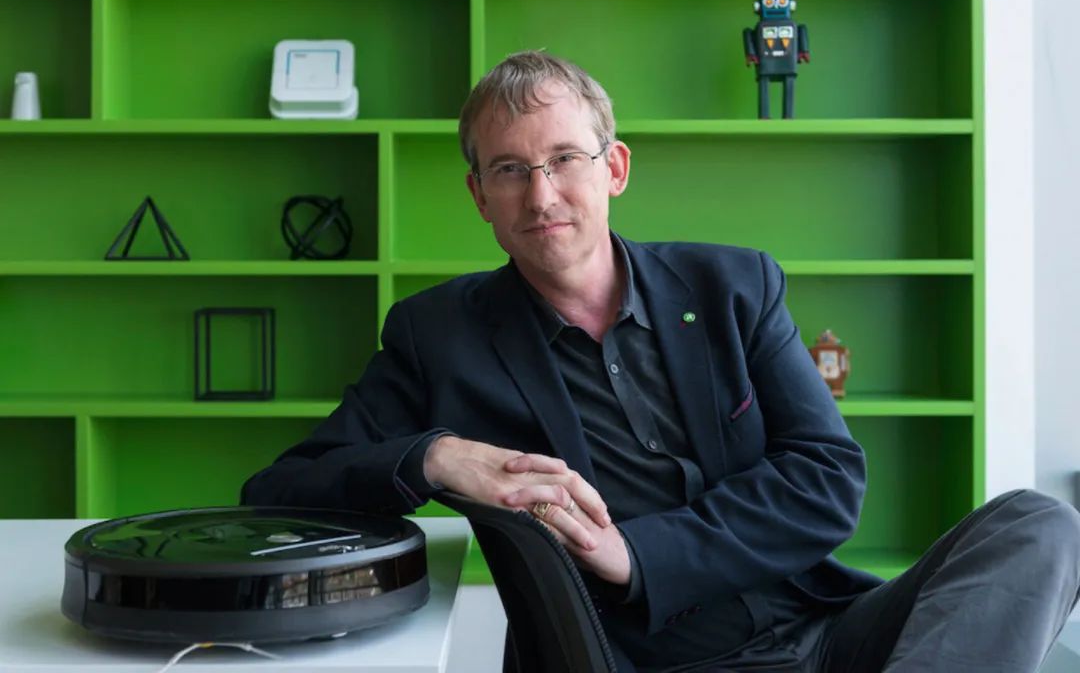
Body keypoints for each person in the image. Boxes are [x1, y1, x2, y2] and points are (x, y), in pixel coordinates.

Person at [242, 50, 1080, 672]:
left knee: (1040, 525)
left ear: (614, 168)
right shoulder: (439, 334)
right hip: (641, 659)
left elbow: (827, 479)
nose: (541, 194)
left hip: (825, 631)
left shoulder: (733, 286)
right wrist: (434, 457)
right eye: (510, 170)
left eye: (564, 159)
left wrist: (642, 554)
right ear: (479, 196)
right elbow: (281, 491)